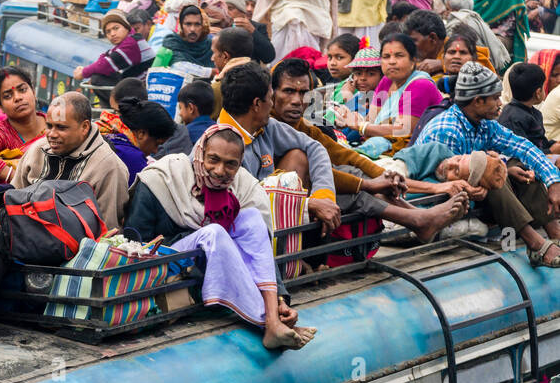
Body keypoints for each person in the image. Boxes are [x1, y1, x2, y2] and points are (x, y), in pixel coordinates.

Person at [125, 127, 314, 350]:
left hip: (221, 266)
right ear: (200, 152)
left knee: (252, 218)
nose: (220, 170)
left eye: (230, 164)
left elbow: (258, 247)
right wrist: (196, 239)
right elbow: (137, 244)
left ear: (240, 163)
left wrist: (281, 298)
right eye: (213, 159)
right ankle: (268, 322)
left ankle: (274, 315)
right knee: (214, 232)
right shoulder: (162, 179)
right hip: (170, 268)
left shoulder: (243, 186)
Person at [272, 57, 466, 240]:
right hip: (280, 203)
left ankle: (420, 218)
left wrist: (384, 176)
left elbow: (342, 154)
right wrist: (367, 184)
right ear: (271, 94)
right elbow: (323, 171)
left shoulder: (303, 126)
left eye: (304, 93)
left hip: (312, 188)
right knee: (354, 189)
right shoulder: (268, 124)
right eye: (289, 91)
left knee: (359, 172)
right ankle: (418, 220)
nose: (297, 100)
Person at [417, 62, 560, 267]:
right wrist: (496, 171)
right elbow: (451, 180)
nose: (500, 103)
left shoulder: (485, 124)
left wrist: (553, 181)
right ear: (477, 101)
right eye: (495, 98)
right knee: (492, 174)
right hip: (441, 200)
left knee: (519, 165)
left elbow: (523, 147)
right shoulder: (447, 131)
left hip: (473, 193)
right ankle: (536, 243)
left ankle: (555, 234)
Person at [217, 63, 340, 231]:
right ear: (257, 104)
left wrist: (324, 195)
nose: (273, 103)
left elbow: (315, 147)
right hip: (238, 226)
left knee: (298, 155)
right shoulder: (220, 146)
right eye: (270, 97)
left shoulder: (266, 126)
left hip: (272, 215)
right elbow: (244, 201)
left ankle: (289, 251)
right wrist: (308, 204)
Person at [12, 91, 131, 229]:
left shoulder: (109, 167)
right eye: (49, 126)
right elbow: (14, 197)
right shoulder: (37, 150)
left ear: (84, 127)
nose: (51, 134)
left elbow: (107, 229)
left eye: (61, 127)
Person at [74, 9, 150, 95]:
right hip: (137, 87)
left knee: (97, 79)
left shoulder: (132, 43)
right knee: (98, 74)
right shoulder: (128, 41)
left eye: (116, 28)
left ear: (127, 27)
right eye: (108, 32)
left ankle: (116, 106)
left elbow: (107, 64)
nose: (112, 34)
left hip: (142, 91)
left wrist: (83, 72)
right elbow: (105, 56)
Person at [100, 95, 177, 182]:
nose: (155, 151)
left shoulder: (104, 134)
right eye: (157, 144)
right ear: (141, 133)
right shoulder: (132, 158)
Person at [498, 62, 550, 151]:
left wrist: (553, 144)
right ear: (538, 93)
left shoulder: (535, 113)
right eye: (543, 86)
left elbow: (542, 142)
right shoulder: (513, 117)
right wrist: (550, 151)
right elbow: (521, 151)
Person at [161, 4, 214, 75]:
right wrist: (212, 72)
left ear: (202, 26)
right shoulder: (172, 41)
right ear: (181, 25)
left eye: (197, 24)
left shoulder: (210, 44)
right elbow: (178, 66)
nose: (192, 29)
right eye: (188, 24)